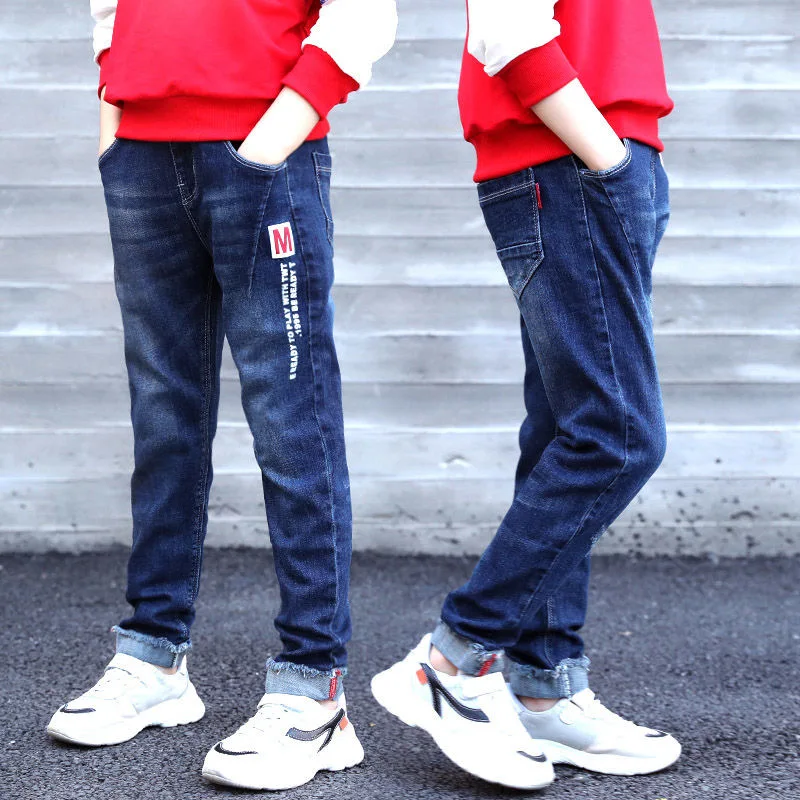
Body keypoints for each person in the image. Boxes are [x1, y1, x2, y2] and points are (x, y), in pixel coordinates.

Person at [46, 0, 397, 791]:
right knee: (162, 417)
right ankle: (153, 660)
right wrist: (115, 120)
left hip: (262, 149)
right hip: (141, 152)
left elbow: (363, 12)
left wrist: (267, 142)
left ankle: (314, 691)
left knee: (292, 420)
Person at [371, 0, 681, 789]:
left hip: (589, 158)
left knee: (563, 434)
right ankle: (449, 660)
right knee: (617, 436)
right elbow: (506, 26)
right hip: (571, 160)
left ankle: (545, 691)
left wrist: (621, 162)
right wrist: (608, 159)